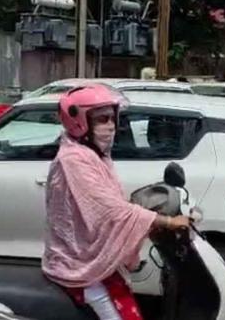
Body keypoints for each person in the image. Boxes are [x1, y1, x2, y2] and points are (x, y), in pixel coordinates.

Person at [42, 84, 190, 320]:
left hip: (93, 262)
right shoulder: (73, 160)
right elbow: (109, 211)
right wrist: (168, 222)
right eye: (102, 119)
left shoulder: (92, 155)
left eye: (112, 118)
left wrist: (148, 215)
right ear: (79, 122)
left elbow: (111, 202)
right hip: (79, 267)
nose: (111, 125)